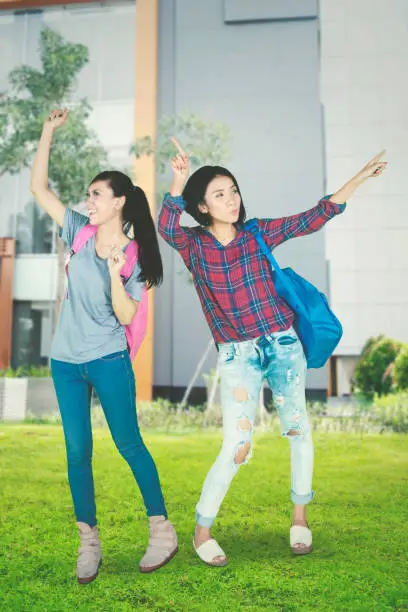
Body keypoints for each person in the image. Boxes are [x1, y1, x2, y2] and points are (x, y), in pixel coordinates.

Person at [158, 138, 387, 566]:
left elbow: (312, 218)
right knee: (237, 445)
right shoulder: (193, 245)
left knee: (299, 431)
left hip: (283, 345)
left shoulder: (257, 232)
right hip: (238, 355)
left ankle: (300, 519)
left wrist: (356, 179)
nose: (232, 199)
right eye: (220, 194)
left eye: (234, 190)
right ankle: (201, 530)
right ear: (203, 206)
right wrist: (178, 181)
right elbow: (166, 226)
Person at [30, 109, 178, 583]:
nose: (87, 200)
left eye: (96, 194)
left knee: (128, 443)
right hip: (66, 361)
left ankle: (162, 529)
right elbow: (39, 190)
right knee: (77, 452)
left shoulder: (133, 253)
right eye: (89, 195)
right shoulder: (78, 230)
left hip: (109, 359)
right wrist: (47, 132)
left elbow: (128, 315)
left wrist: (115, 273)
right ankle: (88, 541)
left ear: (117, 203)